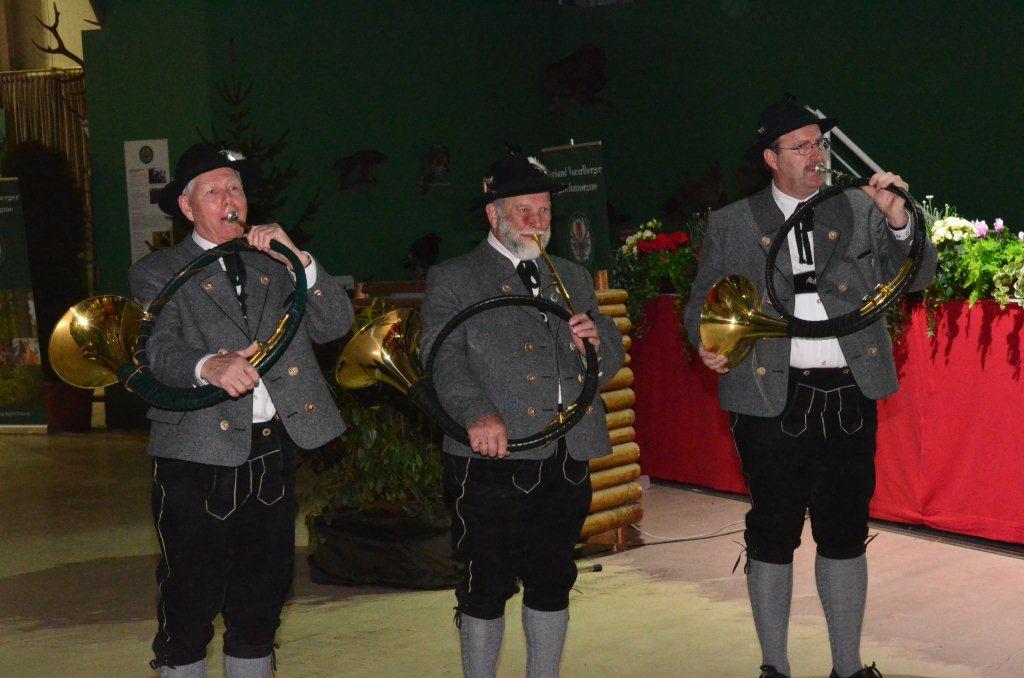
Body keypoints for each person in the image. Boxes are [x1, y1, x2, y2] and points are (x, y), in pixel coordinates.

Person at [682, 99, 937, 678]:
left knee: (845, 532)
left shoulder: (861, 206)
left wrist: (900, 222)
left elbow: (919, 275)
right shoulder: (732, 222)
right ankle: (774, 667)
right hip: (768, 397)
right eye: (801, 147)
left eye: (819, 143)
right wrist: (706, 339)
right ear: (771, 158)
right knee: (772, 531)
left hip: (849, 392)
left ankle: (848, 668)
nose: (816, 155)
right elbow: (701, 302)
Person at [132, 143, 354, 677]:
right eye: (214, 191)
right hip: (195, 457)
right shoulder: (158, 270)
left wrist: (300, 259)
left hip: (272, 450)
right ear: (187, 207)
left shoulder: (275, 260)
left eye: (235, 188)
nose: (230, 200)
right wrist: (208, 365)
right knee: (188, 605)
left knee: (261, 604)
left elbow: (335, 324)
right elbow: (155, 349)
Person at [420, 149, 625, 678]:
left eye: (545, 211)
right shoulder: (454, 277)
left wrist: (594, 347)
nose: (538, 222)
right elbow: (441, 360)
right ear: (494, 215)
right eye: (525, 211)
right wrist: (477, 413)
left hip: (567, 453)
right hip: (491, 457)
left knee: (553, 580)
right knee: (485, 586)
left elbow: (609, 359)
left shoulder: (573, 276)